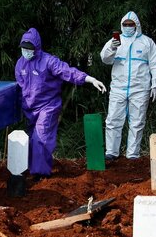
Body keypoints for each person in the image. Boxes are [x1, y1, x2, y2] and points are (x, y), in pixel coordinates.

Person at [15, 28, 107, 179]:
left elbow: (68, 72)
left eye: (29, 48)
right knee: (32, 139)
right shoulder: (20, 64)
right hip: (30, 109)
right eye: (24, 48)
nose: (26, 51)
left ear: (36, 48)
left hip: (48, 106)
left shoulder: (48, 61)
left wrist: (90, 79)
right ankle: (35, 168)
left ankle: (40, 174)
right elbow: (20, 87)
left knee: (41, 136)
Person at [101, 11, 156, 160]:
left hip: (140, 89)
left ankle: (132, 155)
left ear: (137, 25)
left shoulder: (147, 42)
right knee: (113, 120)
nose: (128, 27)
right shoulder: (115, 41)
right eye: (125, 24)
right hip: (118, 87)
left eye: (131, 24)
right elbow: (104, 59)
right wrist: (112, 48)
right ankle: (112, 152)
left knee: (137, 122)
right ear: (121, 25)